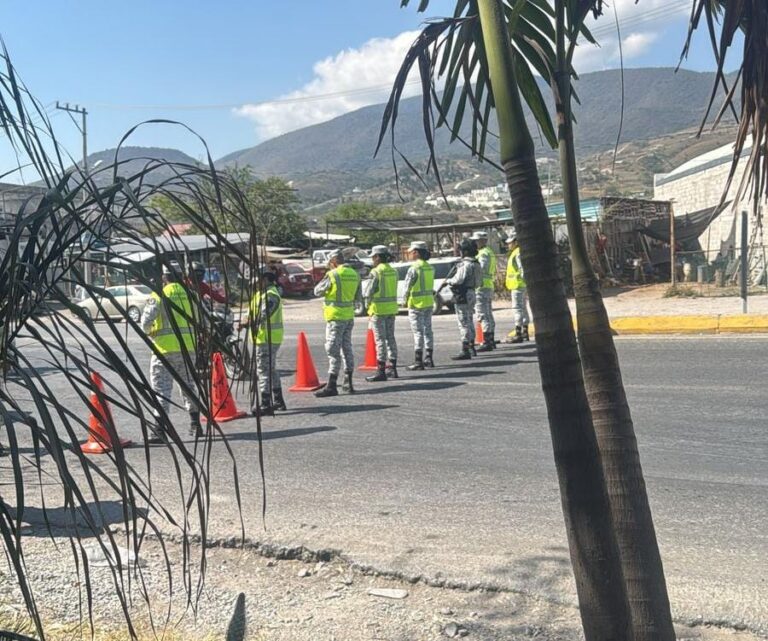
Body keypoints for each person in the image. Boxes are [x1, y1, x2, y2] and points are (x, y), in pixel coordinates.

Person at [141, 262, 201, 442]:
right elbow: (201, 321)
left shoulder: (159, 295)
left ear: (165, 277)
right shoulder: (192, 295)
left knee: (161, 389)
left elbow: (145, 322)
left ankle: (160, 430)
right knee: (188, 386)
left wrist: (150, 332)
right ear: (182, 276)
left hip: (164, 350)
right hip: (188, 349)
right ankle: (196, 424)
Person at [314, 249, 361, 398]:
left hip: (335, 317)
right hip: (349, 316)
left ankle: (332, 384)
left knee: (332, 350)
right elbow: (358, 297)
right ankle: (348, 382)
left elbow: (317, 291)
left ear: (333, 261)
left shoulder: (333, 274)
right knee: (347, 348)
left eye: (329, 263)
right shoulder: (355, 274)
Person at [246, 269, 286, 415]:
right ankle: (278, 400)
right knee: (271, 368)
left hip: (267, 338)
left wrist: (247, 323)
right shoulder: (260, 294)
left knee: (263, 370)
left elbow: (264, 314)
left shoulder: (271, 295)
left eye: (257, 279)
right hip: (263, 337)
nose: (255, 282)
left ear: (266, 279)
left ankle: (265, 403)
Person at [363, 245, 399, 382]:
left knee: (380, 341)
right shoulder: (393, 271)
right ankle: (393, 368)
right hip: (391, 309)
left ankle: (381, 370)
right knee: (391, 338)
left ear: (378, 257)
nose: (372, 260)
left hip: (378, 310)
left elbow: (369, 292)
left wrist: (367, 307)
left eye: (373, 257)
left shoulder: (376, 272)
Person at [445, 238, 482, 360]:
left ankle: (465, 349)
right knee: (469, 320)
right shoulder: (476, 263)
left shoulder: (465, 264)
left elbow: (458, 280)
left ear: (465, 251)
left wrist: (448, 282)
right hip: (472, 292)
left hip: (463, 294)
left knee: (463, 322)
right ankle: (471, 346)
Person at [403, 241, 435, 370]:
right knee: (428, 331)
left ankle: (418, 361)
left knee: (418, 332)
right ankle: (429, 357)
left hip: (416, 304)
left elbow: (407, 287)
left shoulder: (414, 268)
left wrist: (404, 301)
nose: (410, 254)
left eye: (411, 252)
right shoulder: (430, 267)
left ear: (416, 252)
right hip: (428, 303)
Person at [472, 230, 497, 352]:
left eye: (476, 241)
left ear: (482, 241)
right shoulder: (490, 252)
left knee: (482, 314)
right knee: (488, 313)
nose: (475, 243)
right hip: (488, 285)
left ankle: (487, 341)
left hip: (481, 286)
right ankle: (491, 339)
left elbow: (480, 270)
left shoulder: (482, 254)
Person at [505, 233, 530, 343]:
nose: (508, 245)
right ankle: (525, 332)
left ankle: (518, 333)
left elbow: (521, 268)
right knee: (523, 308)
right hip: (520, 284)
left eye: (510, 243)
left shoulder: (517, 253)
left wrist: (525, 279)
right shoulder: (516, 252)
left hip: (517, 285)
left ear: (516, 242)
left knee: (517, 308)